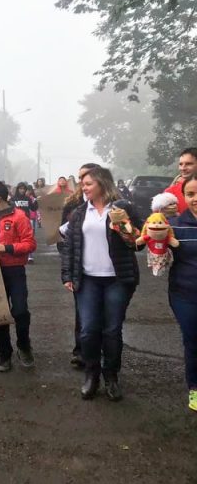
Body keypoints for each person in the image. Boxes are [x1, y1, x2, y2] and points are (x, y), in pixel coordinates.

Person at [61, 167, 142, 401]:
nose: (84, 188)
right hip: (87, 280)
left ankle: (112, 376)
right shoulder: (78, 213)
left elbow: (139, 242)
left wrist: (126, 229)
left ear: (102, 184)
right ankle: (92, 375)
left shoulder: (123, 208)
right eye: (82, 184)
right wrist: (68, 275)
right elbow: (70, 246)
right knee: (87, 330)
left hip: (118, 279)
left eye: (88, 184)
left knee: (112, 330)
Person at [0, 180, 37, 373]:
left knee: (20, 311)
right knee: (0, 314)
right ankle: (4, 354)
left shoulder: (19, 217)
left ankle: (24, 345)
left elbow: (30, 244)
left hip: (15, 271)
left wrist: (7, 248)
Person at [59, 163, 100, 369]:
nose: (83, 183)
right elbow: (62, 235)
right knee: (82, 313)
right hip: (81, 269)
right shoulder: (73, 204)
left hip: (108, 271)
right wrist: (68, 267)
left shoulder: (115, 203)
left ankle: (101, 353)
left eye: (87, 178)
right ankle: (81, 351)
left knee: (107, 320)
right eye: (80, 178)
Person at [169, 173, 197, 412]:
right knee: (193, 340)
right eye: (190, 194)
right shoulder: (175, 225)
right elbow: (160, 256)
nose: (195, 198)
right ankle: (195, 388)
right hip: (185, 293)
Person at [165, 147, 197, 215]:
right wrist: (163, 214)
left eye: (188, 164)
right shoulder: (170, 193)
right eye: (181, 164)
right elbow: (153, 222)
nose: (183, 168)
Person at [12, 182, 38, 263]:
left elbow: (33, 208)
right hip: (16, 222)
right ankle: (18, 254)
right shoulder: (13, 199)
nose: (22, 190)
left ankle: (30, 256)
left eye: (24, 189)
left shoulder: (28, 199)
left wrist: (37, 201)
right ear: (17, 189)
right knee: (16, 238)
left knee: (28, 238)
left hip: (26, 221)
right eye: (20, 189)